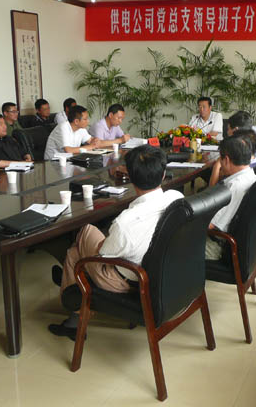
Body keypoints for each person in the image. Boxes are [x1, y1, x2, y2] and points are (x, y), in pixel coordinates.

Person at [49, 145, 183, 339]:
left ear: (130, 177)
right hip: (161, 275)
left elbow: (102, 253)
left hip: (125, 282)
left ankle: (72, 300)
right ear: (163, 175)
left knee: (83, 236)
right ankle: (70, 285)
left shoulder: (125, 222)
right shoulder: (177, 199)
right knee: (74, 254)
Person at [205, 135, 256, 260]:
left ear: (226, 160)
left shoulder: (234, 187)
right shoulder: (254, 177)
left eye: (220, 159)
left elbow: (210, 225)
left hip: (216, 246)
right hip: (240, 245)